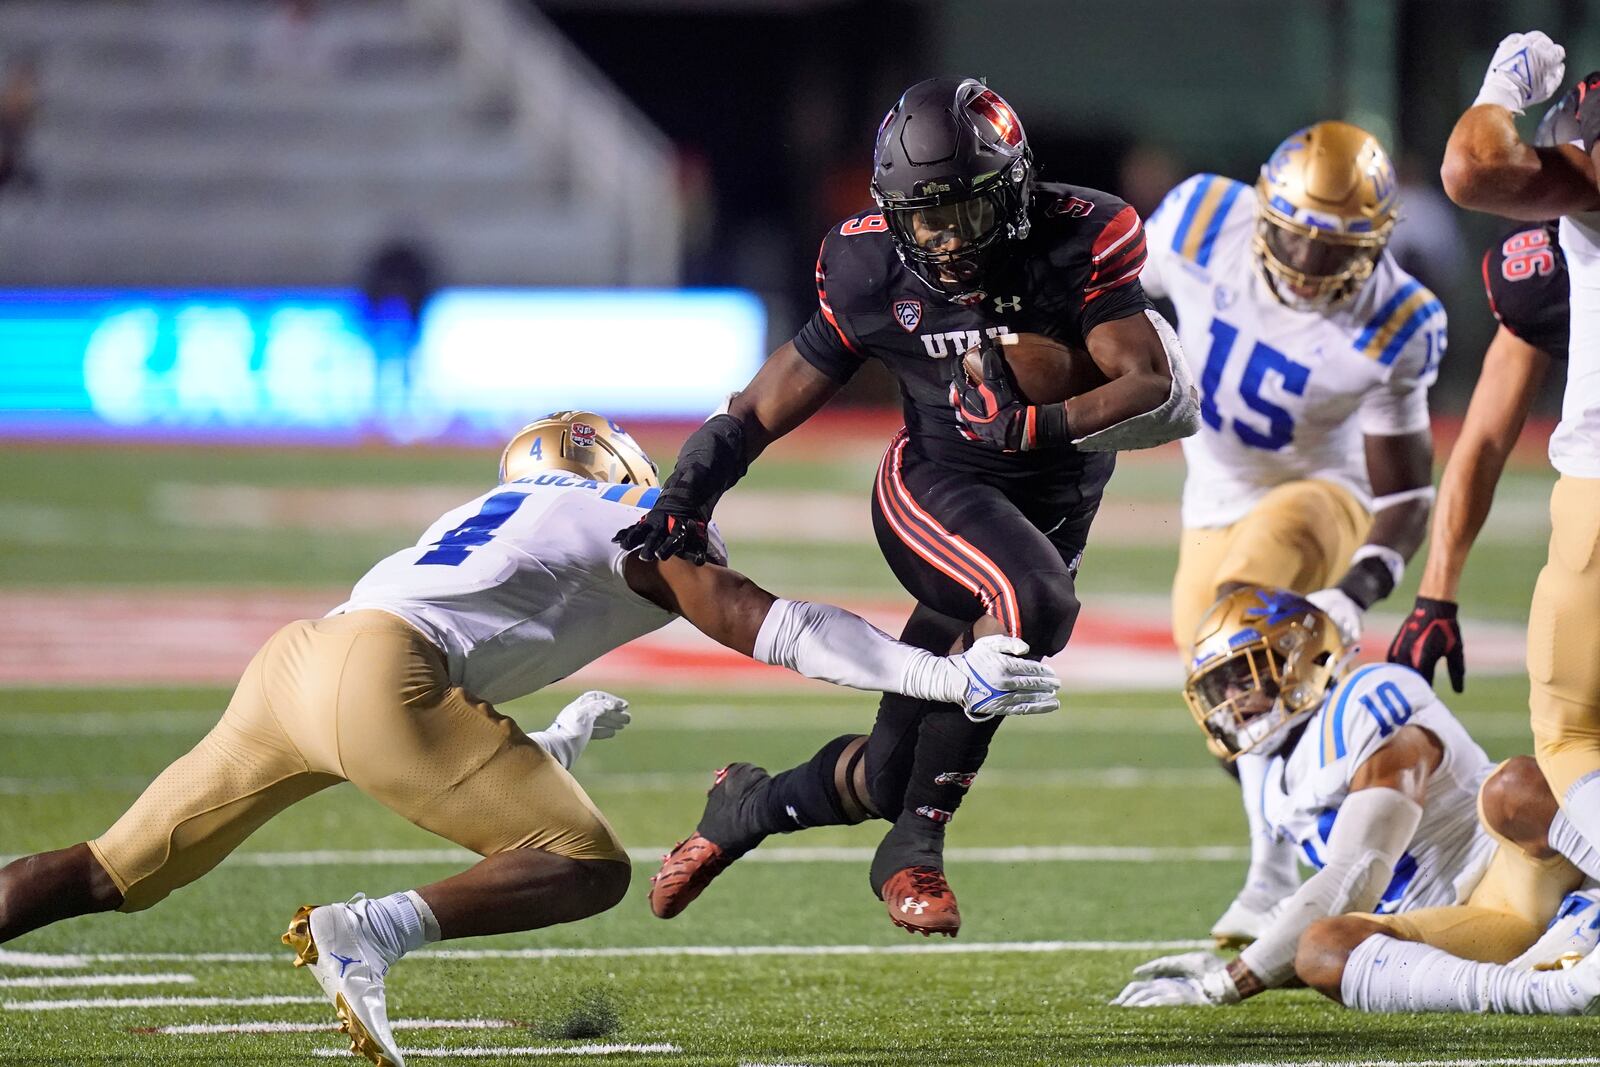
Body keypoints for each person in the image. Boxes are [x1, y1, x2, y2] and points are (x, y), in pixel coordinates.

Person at [0, 411, 1059, 1067]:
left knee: (110, 869)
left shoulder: (495, 513)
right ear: (606, 461)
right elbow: (769, 624)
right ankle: (368, 929)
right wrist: (941, 672)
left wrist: (544, 743)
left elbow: (439, 718)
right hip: (387, 679)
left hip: (302, 661)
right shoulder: (625, 510)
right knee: (589, 865)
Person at [624, 76, 1198, 938]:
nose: (943, 237)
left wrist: (1035, 423)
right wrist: (686, 494)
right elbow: (758, 407)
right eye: (922, 216)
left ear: (1012, 191)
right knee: (1034, 604)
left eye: (963, 212)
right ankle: (915, 852)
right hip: (932, 491)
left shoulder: (1078, 237)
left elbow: (1146, 378)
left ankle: (749, 804)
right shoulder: (867, 266)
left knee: (889, 774)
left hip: (1044, 509)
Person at [1140, 122, 1446, 947]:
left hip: (1321, 496)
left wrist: (1357, 589)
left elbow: (1409, 488)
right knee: (1223, 701)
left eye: (1335, 249)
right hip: (1211, 497)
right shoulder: (1202, 219)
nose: (1310, 270)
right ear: (1263, 211)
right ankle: (1356, 829)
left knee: (1236, 626)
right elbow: (1106, 299)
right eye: (1298, 241)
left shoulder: (1397, 320)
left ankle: (1272, 877)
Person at [1111, 586, 1585, 1009]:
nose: (1232, 700)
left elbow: (1359, 871)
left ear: (1302, 656)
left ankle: (1588, 905)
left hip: (1517, 864)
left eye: (1245, 675)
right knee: (1322, 951)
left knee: (1515, 787)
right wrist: (1242, 964)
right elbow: (1334, 903)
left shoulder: (1366, 698)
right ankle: (1538, 990)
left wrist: (1227, 983)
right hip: (1450, 924)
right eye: (1222, 686)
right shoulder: (1278, 782)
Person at [1439, 30, 1600, 910]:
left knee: (1564, 746)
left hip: (1597, 498)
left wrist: (1505, 83)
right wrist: (1436, 590)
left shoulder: (1569, 204)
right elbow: (1484, 441)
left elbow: (1474, 166)